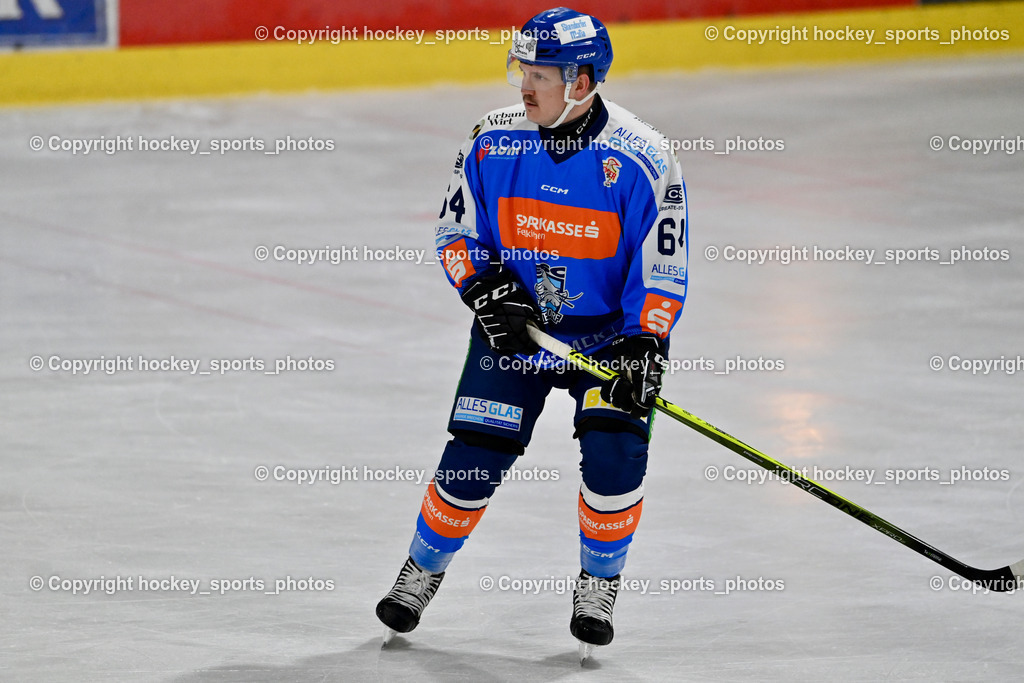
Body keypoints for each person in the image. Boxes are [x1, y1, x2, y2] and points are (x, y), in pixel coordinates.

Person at [376, 6, 688, 658]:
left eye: (539, 74)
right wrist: (484, 289)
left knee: (614, 455)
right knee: (472, 455)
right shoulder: (493, 142)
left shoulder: (644, 158)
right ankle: (422, 567)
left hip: (607, 340)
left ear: (581, 81)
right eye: (521, 69)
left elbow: (662, 268)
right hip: (518, 333)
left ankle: (598, 585)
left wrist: (644, 342)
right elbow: (457, 232)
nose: (523, 85)